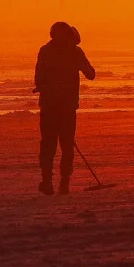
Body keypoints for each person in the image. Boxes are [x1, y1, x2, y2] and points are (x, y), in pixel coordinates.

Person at [34, 21, 96, 195]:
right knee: (67, 145)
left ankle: (47, 182)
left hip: (49, 107)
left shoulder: (45, 51)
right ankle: (64, 183)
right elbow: (91, 74)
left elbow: (39, 78)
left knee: (48, 145)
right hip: (67, 108)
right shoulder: (75, 52)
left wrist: (45, 87)